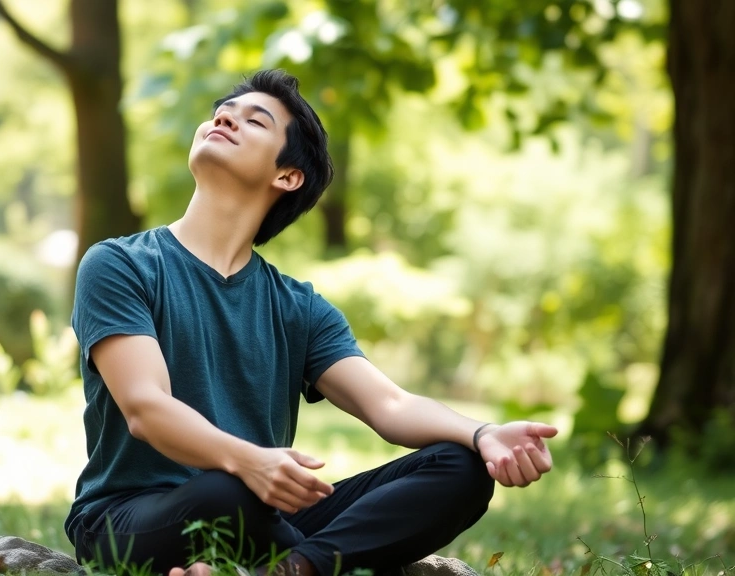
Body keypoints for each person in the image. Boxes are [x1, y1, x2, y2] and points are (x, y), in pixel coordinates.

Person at [65, 69, 557, 576]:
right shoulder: (120, 265)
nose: (224, 120)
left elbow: (389, 404)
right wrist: (252, 462)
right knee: (227, 491)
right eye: (222, 113)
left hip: (261, 513)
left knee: (461, 467)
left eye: (254, 121)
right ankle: (307, 556)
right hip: (129, 520)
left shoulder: (297, 307)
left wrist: (483, 434)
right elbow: (146, 408)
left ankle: (293, 569)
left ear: (287, 175)